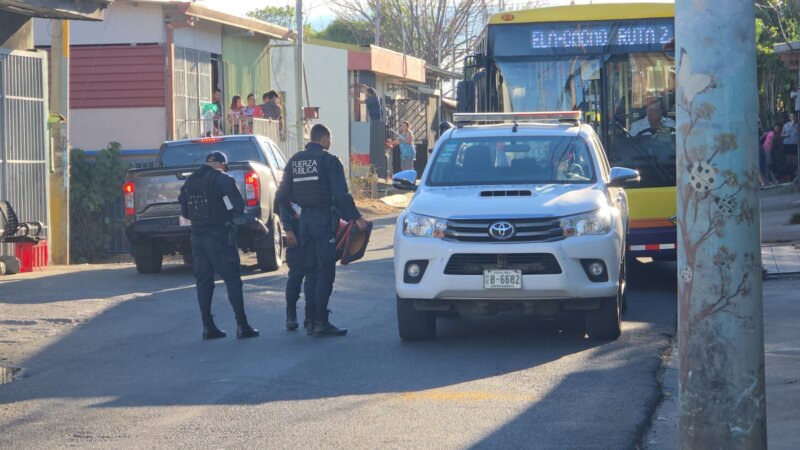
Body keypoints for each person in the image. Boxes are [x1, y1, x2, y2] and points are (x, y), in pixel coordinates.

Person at [276, 124, 369, 337]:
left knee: (310, 272)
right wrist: (357, 218)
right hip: (324, 221)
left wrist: (294, 213)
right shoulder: (329, 161)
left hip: (305, 222)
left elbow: (280, 196)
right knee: (325, 272)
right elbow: (341, 195)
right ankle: (321, 322)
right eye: (331, 137)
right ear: (324, 138)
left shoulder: (294, 161)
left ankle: (309, 321)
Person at [178, 151, 259, 340]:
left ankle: (207, 326)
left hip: (197, 237)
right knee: (232, 280)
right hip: (219, 236)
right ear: (221, 165)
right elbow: (238, 206)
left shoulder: (189, 181)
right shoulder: (222, 179)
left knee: (204, 282)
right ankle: (242, 324)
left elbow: (186, 211)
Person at [280, 203, 312, 332]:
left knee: (313, 276)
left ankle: (310, 316)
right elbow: (282, 200)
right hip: (296, 232)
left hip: (313, 231)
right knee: (296, 275)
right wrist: (288, 229)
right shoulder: (289, 183)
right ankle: (291, 315)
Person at [782, 112, 799, 179]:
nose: (792, 118)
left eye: (793, 116)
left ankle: (795, 173)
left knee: (795, 160)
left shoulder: (797, 125)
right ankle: (790, 175)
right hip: (787, 144)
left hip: (794, 144)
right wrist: (786, 135)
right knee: (788, 160)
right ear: (789, 118)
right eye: (791, 117)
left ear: (795, 117)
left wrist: (794, 126)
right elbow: (782, 134)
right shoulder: (786, 125)